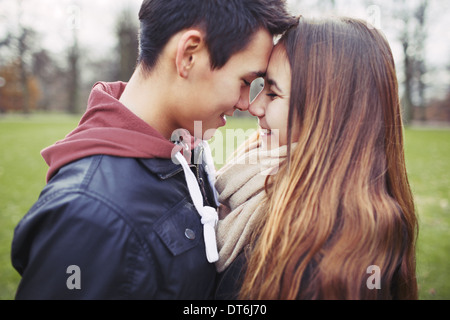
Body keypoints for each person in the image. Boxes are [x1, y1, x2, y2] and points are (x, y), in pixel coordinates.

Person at [11, 0, 298, 299]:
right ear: (189, 55)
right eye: (245, 81)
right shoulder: (91, 215)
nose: (245, 103)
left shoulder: (185, 150)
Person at [215, 16, 419, 300]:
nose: (254, 105)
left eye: (273, 93)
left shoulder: (324, 253)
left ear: (327, 113)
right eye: (261, 87)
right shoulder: (254, 176)